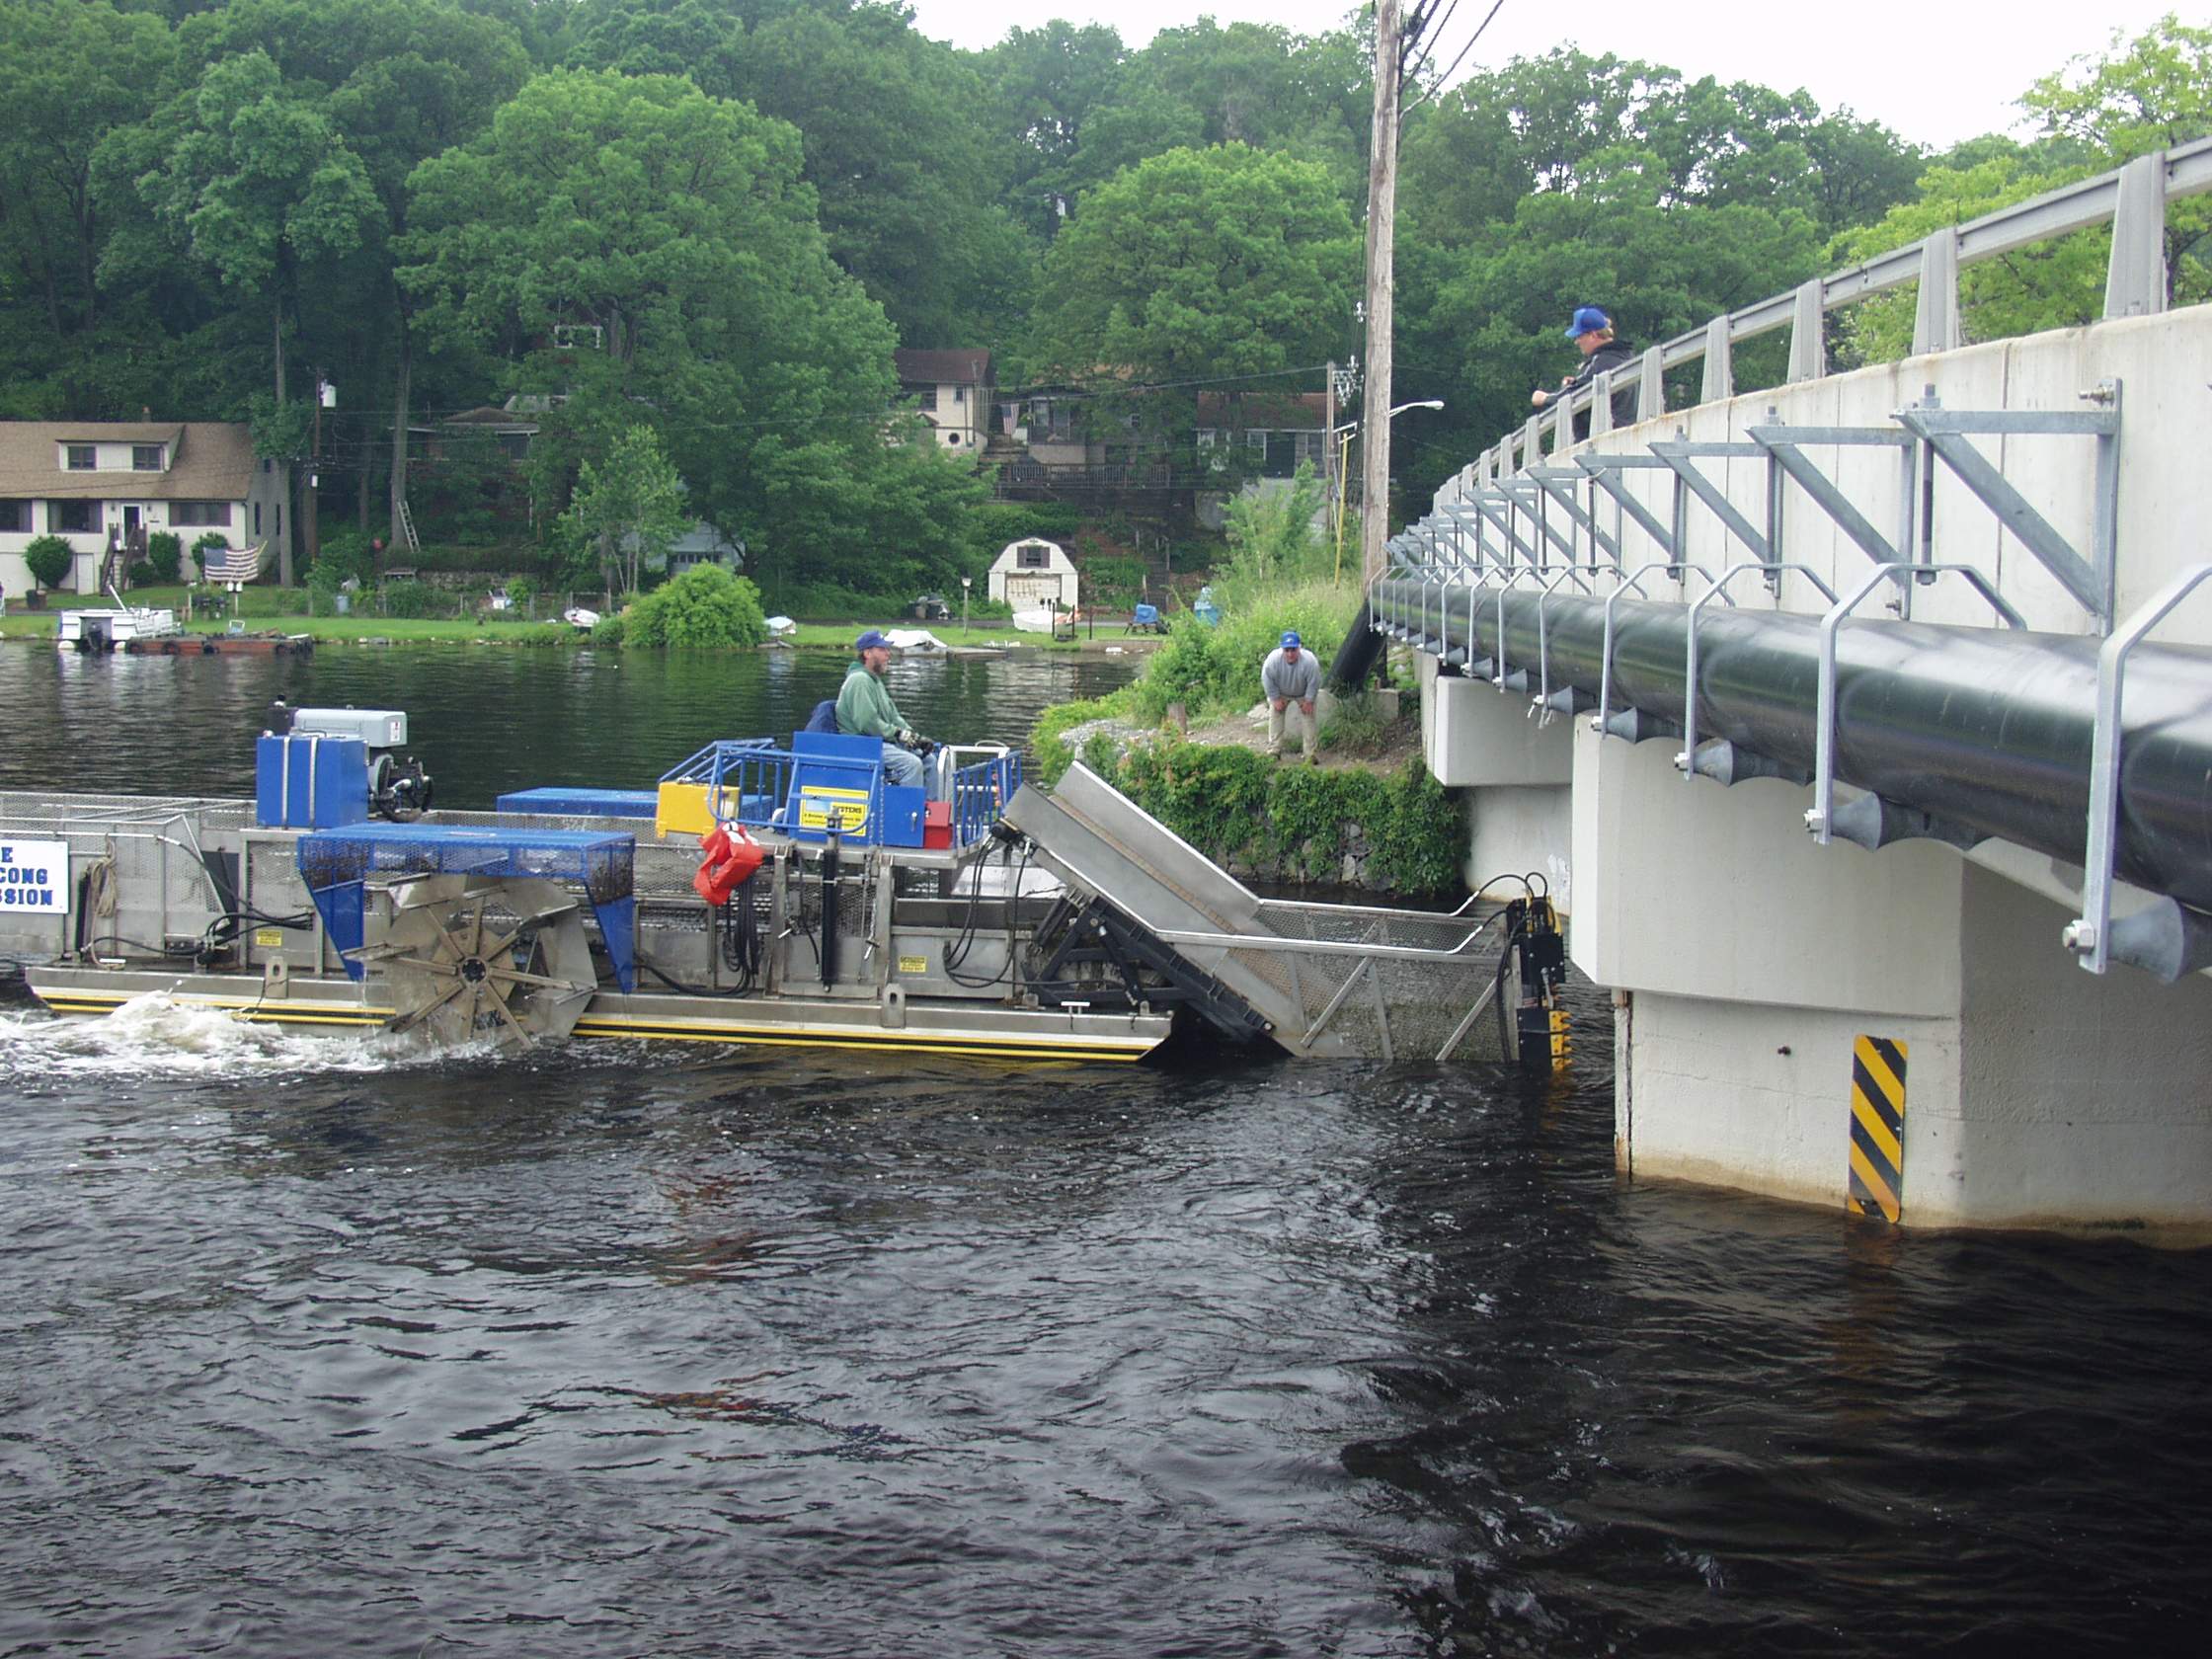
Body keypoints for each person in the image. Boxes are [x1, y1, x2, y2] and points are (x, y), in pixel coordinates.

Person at [834, 629, 935, 796]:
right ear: (867, 653)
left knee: (929, 761)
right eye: (882, 650)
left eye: (888, 650)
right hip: (861, 745)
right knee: (911, 764)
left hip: (877, 743)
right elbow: (867, 722)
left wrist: (914, 737)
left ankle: (931, 813)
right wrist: (897, 734)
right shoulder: (859, 680)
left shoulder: (874, 681)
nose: (888, 654)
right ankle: (908, 816)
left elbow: (893, 716)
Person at [1531, 305, 1636, 439]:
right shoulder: (1625, 357)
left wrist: (1545, 398)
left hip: (1603, 440)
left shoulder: (1600, 362)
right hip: (1627, 434)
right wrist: (1576, 382)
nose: (1576, 342)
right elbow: (1587, 384)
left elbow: (1573, 396)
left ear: (1592, 335)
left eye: (1579, 336)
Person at [1262, 630, 1320, 763]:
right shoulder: (1272, 660)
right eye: (1287, 650)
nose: (1290, 654)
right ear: (1282, 649)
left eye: (1293, 650)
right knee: (1275, 716)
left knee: (1309, 719)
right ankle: (1274, 751)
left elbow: (1314, 681)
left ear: (1299, 648)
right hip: (1281, 692)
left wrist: (1309, 700)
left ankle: (1310, 754)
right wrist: (1275, 698)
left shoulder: (1310, 661)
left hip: (1303, 693)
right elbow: (1266, 678)